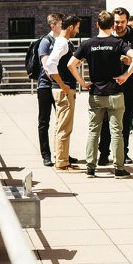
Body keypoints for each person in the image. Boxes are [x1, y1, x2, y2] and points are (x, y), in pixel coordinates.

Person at [68, 11, 133, 177]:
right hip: (115, 93)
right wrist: (125, 76)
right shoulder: (118, 43)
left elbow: (71, 64)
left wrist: (82, 82)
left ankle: (90, 167)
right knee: (117, 132)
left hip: (96, 94)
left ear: (97, 25)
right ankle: (119, 168)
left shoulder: (88, 44)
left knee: (94, 131)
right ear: (112, 25)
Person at [97, 7, 133, 165]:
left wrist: (129, 62)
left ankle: (123, 153)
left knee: (126, 119)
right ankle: (104, 153)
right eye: (116, 22)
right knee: (106, 120)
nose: (118, 25)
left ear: (127, 21)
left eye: (122, 22)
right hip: (109, 84)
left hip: (128, 84)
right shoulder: (107, 35)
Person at [44, 15, 81, 170]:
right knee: (65, 128)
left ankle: (61, 159)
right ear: (71, 27)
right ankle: (62, 163)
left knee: (61, 126)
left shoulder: (62, 42)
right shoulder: (62, 43)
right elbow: (50, 65)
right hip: (63, 90)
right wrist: (63, 85)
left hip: (61, 89)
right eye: (77, 27)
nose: (78, 31)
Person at [36, 13, 63, 166]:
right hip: (46, 86)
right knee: (44, 121)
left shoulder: (63, 41)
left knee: (62, 121)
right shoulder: (46, 42)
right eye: (61, 25)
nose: (63, 28)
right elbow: (47, 66)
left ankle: (62, 152)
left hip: (59, 86)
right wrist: (58, 80)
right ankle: (46, 155)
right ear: (53, 26)